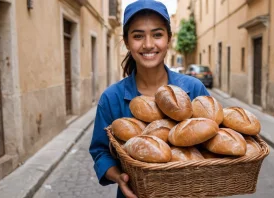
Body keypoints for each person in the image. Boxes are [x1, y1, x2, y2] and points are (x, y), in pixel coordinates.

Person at [89, 0, 210, 197]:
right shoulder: (112, 98)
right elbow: (101, 152)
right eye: (138, 36)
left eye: (157, 34)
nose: (148, 44)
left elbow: (211, 144)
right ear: (127, 42)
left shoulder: (193, 89)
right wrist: (119, 177)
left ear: (169, 39)